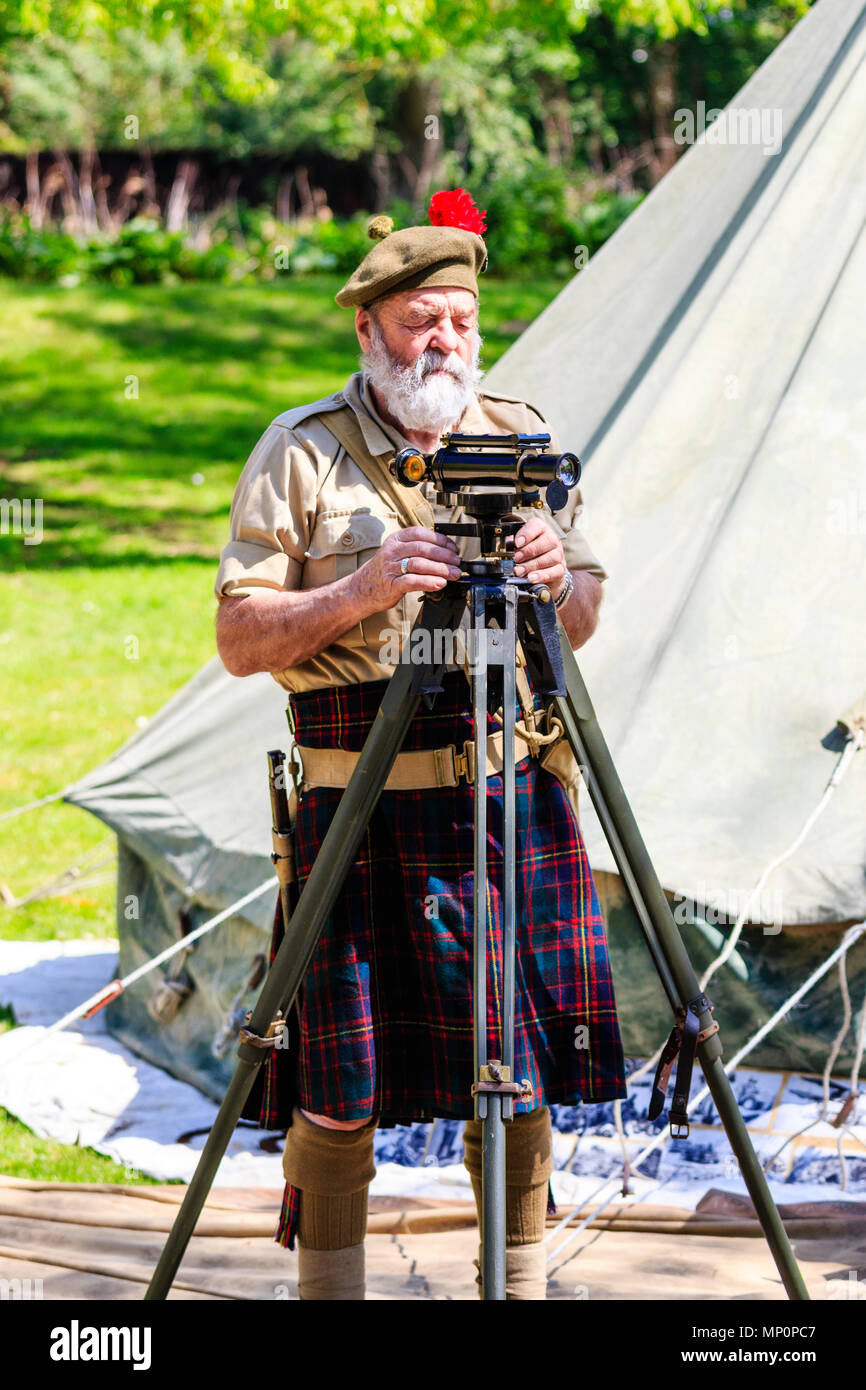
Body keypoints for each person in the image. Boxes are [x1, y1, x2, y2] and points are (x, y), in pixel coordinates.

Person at [214, 190, 627, 1300]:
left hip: (506, 793)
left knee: (520, 1064)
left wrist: (557, 577)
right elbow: (239, 637)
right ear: (366, 329)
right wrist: (356, 588)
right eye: (414, 320)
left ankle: (522, 1286)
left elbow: (582, 616)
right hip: (359, 800)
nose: (439, 339)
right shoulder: (300, 452)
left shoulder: (519, 435)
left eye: (454, 317)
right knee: (336, 1077)